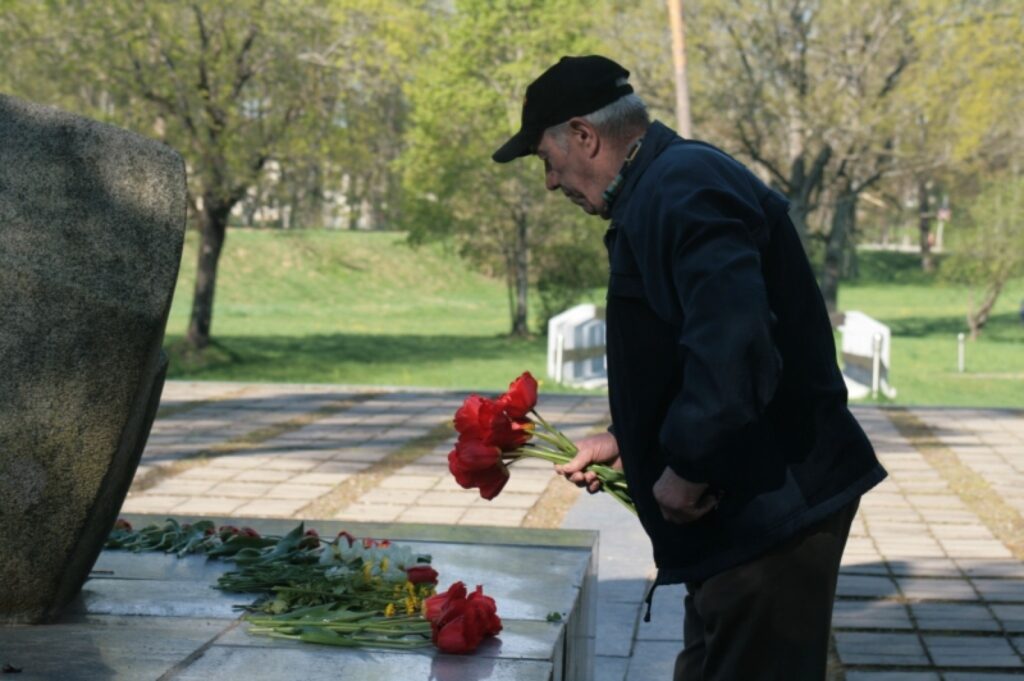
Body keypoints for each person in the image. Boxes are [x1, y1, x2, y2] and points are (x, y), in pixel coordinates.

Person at [492, 55, 887, 681]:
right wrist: (629, 440)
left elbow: (735, 339)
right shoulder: (662, 187)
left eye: (547, 159)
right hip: (745, 514)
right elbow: (690, 343)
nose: (549, 182)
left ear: (585, 135)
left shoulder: (683, 187)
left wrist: (689, 465)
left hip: (770, 512)